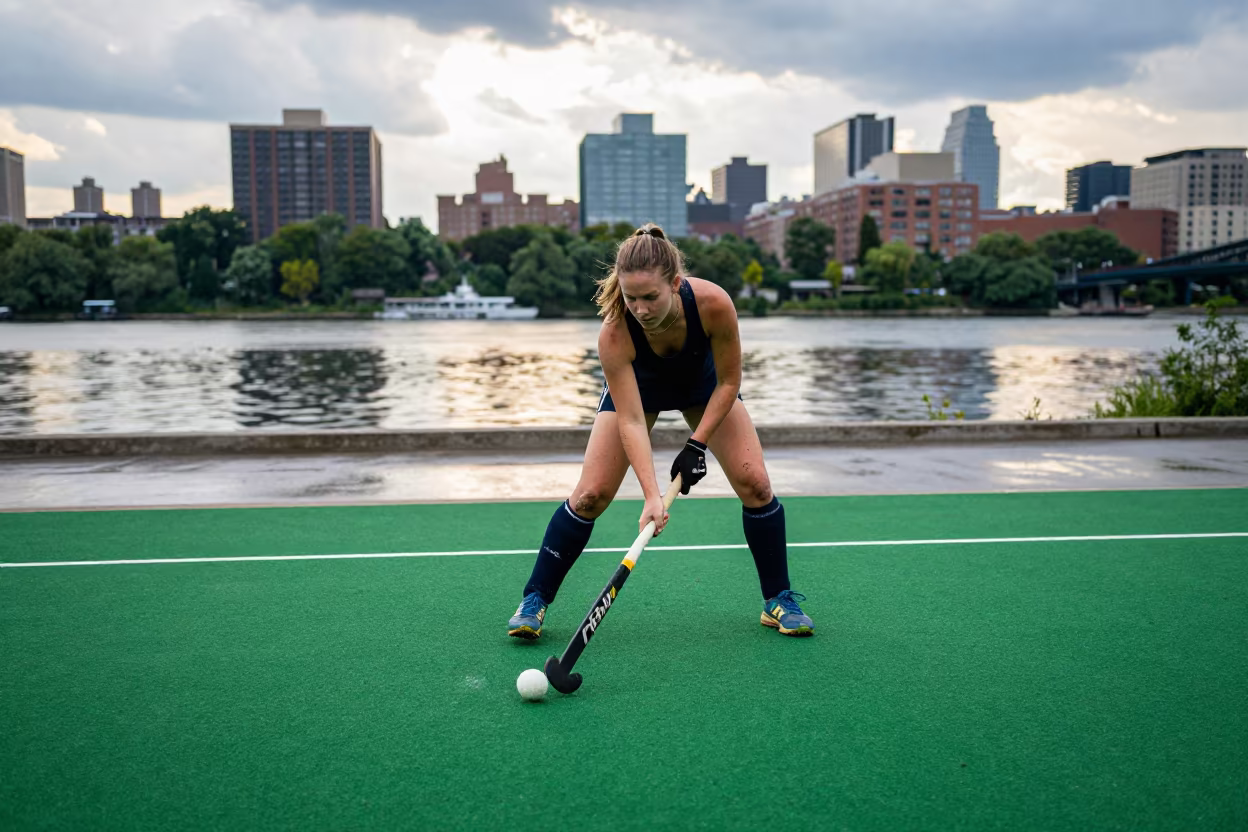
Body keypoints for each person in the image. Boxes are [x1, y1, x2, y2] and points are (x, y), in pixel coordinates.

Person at [507, 223, 814, 639]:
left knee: (755, 482)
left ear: (675, 283)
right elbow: (632, 420)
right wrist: (652, 495)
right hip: (640, 392)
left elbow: (729, 382)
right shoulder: (615, 332)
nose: (641, 308)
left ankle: (778, 599)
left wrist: (696, 445)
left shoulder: (713, 304)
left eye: (650, 297)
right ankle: (534, 600)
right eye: (631, 298)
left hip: (703, 386)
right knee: (590, 495)